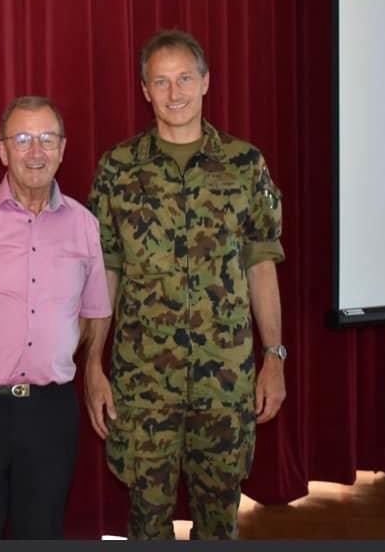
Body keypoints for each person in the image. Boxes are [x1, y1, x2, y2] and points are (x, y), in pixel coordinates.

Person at [84, 29, 287, 540]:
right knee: (147, 525)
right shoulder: (118, 169)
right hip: (143, 381)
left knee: (219, 524)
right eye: (161, 81)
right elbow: (105, 271)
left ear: (205, 83)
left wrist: (274, 358)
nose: (174, 93)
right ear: (145, 90)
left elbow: (261, 265)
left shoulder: (245, 165)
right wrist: (92, 363)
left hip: (226, 379)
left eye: (185, 79)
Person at [0, 96, 112, 539]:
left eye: (47, 139)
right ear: (2, 150)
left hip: (49, 414)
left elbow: (95, 310)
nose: (36, 151)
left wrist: (92, 367)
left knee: (42, 532)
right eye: (24, 139)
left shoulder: (85, 225)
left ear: (63, 148)